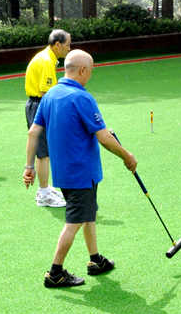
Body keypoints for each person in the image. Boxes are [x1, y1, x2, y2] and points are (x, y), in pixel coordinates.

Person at [23, 49, 138, 288]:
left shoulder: (50, 95)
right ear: (83, 70)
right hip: (81, 172)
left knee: (88, 213)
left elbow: (33, 132)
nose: (91, 75)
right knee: (74, 221)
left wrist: (29, 166)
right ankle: (55, 273)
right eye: (91, 71)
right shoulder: (82, 98)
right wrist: (127, 156)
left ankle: (95, 260)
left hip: (64, 172)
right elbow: (104, 137)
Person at [23, 28, 72, 208]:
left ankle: (45, 188)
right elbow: (47, 93)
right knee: (43, 152)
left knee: (45, 151)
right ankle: (43, 193)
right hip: (40, 105)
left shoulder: (48, 58)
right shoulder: (46, 61)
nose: (69, 48)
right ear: (57, 44)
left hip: (37, 104)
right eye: (67, 45)